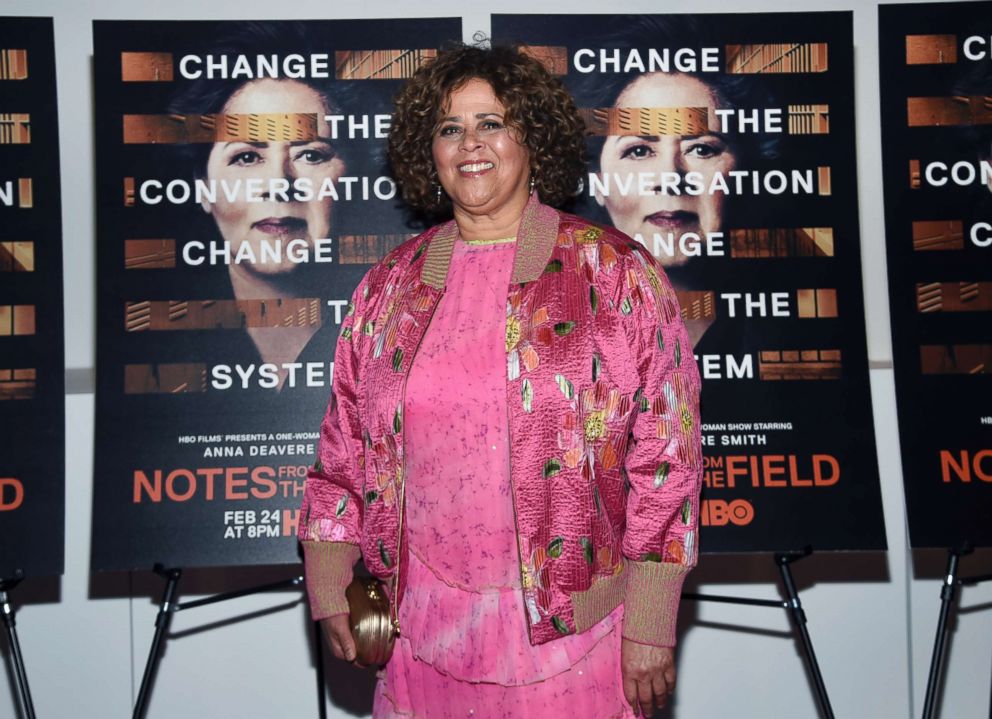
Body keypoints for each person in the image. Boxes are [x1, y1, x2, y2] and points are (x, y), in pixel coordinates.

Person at [299, 44, 702, 718]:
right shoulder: (388, 288)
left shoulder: (614, 273)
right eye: (449, 128)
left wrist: (653, 621)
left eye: (492, 123)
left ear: (533, 138)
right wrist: (332, 579)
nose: (470, 144)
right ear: (428, 151)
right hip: (418, 634)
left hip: (575, 636)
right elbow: (343, 444)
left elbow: (668, 457)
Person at [168, 22, 347, 389]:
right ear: (203, 187)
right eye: (247, 157)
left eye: (311, 155)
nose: (280, 184)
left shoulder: (393, 334)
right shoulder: (166, 348)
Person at [580, 16, 774, 349]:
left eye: (701, 148)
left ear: (744, 169)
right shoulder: (556, 336)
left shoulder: (783, 339)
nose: (670, 177)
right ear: (598, 183)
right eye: (639, 150)